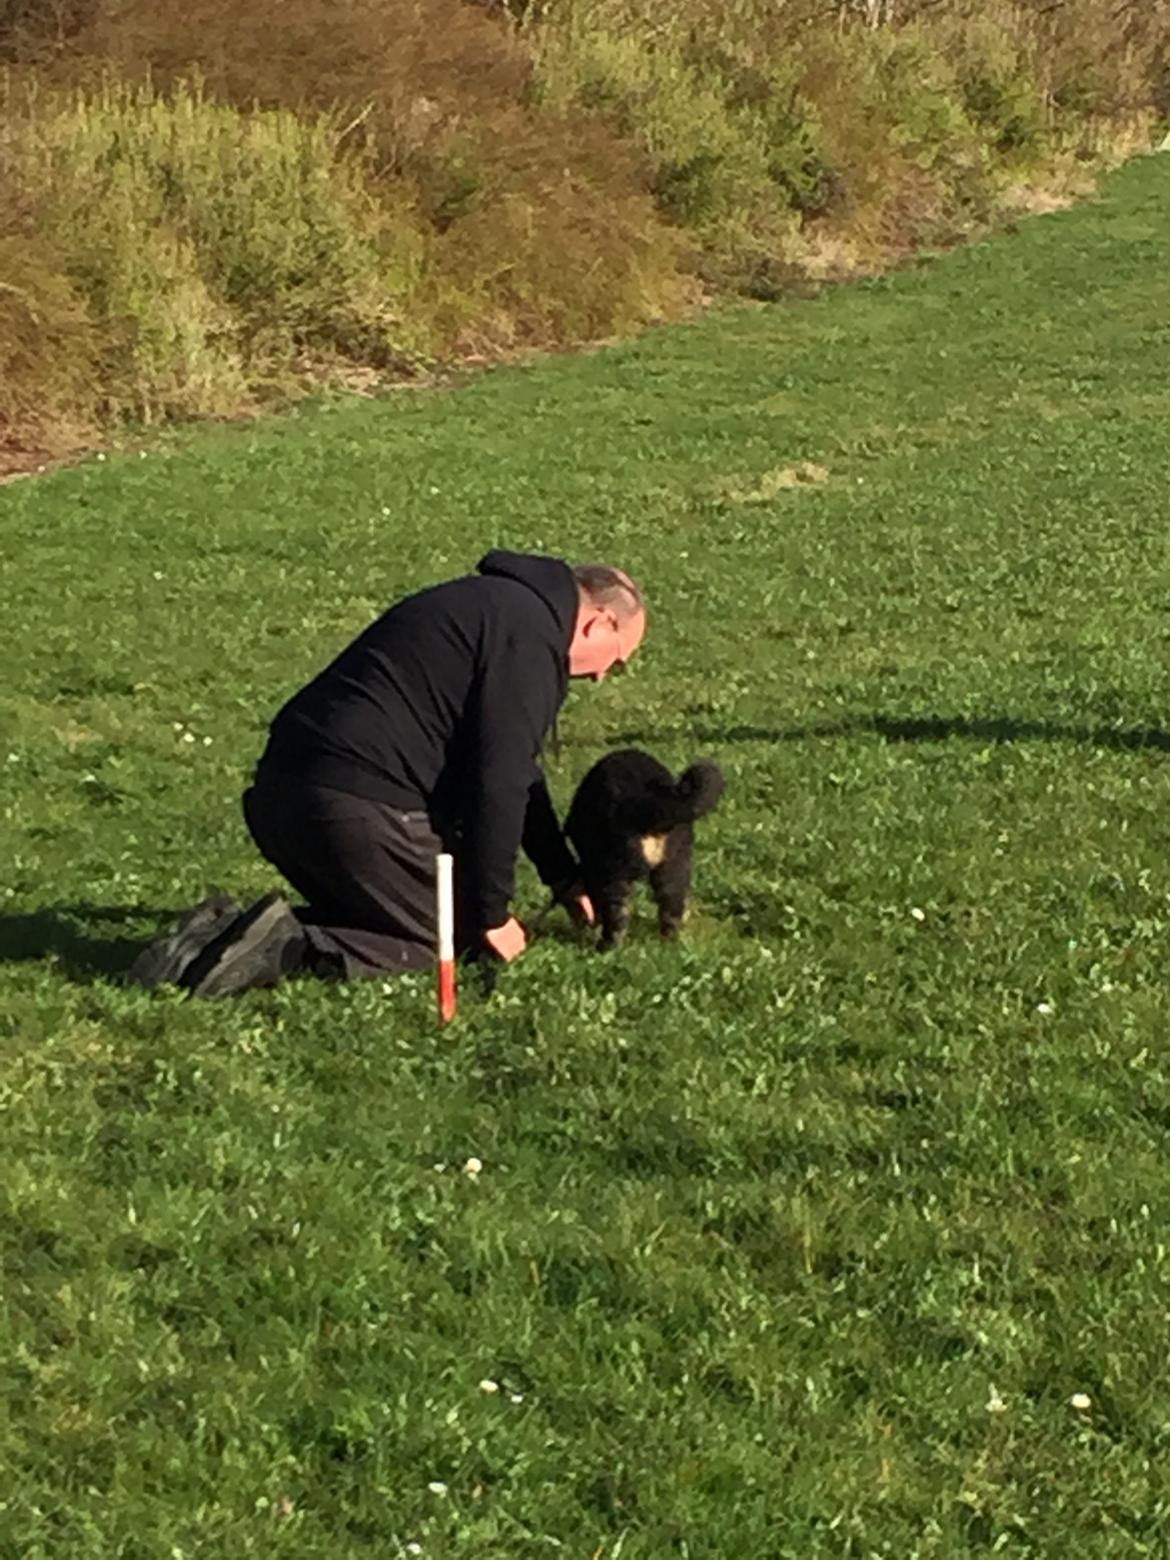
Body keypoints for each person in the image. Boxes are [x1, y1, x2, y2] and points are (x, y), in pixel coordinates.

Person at [138, 550, 645, 998]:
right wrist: (489, 915)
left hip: (282, 796)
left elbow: (517, 770)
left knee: (413, 917)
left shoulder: (497, 607)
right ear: (598, 624)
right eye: (616, 662)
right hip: (353, 806)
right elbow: (500, 782)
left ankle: (214, 936)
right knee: (443, 940)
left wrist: (561, 876)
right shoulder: (529, 637)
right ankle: (282, 944)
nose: (602, 676)